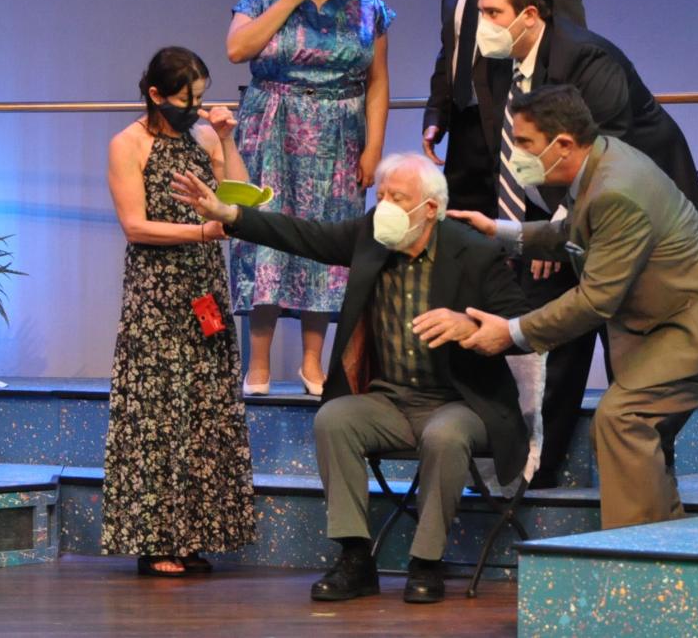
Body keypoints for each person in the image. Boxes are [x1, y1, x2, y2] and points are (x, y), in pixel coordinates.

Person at [171, 153, 530, 604]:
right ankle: (355, 557)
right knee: (335, 418)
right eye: (381, 195)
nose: (385, 206)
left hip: (460, 402)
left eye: (398, 198)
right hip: (389, 400)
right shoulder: (371, 236)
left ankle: (426, 562)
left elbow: (524, 327)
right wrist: (230, 214)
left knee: (445, 434)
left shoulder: (474, 251)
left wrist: (472, 325)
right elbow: (304, 235)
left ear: (430, 209)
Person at [450, 85, 698, 530]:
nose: (516, 155)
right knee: (636, 427)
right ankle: (661, 542)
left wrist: (511, 333)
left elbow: (595, 299)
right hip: (686, 314)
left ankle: (634, 552)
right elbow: (576, 232)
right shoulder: (600, 160)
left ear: (563, 144)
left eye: (525, 142)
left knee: (624, 418)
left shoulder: (616, 189)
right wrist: (502, 232)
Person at [475, 0, 698, 487]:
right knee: (559, 332)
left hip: (636, 213)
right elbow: (524, 151)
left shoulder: (586, 57)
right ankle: (539, 469)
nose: (482, 24)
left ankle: (649, 479)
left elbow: (606, 144)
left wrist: (563, 223)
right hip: (568, 212)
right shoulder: (498, 66)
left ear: (529, 15)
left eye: (492, 13)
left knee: (630, 342)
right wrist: (539, 226)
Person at [227, 0, 394, 396]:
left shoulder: (367, 4)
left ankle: (312, 363)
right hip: (272, 126)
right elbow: (237, 50)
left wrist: (374, 148)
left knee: (326, 241)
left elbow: (378, 82)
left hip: (339, 134)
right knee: (265, 234)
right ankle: (257, 364)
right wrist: (288, 1)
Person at [101, 47, 256, 577]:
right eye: (186, 100)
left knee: (203, 408)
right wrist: (203, 231)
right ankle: (155, 541)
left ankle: (193, 535)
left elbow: (240, 201)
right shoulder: (128, 144)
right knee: (158, 412)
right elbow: (135, 226)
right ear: (155, 95)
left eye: (200, 98)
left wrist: (227, 139)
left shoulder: (204, 138)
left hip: (204, 288)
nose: (195, 109)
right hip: (157, 295)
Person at [423, 0, 586, 215]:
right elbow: (451, 47)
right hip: (466, 131)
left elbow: (570, 46)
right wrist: (437, 112)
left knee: (528, 230)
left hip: (521, 123)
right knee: (465, 232)